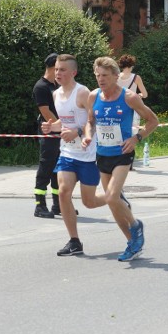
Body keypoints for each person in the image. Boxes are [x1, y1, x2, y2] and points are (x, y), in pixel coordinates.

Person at [87, 56, 159, 261]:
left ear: (116, 76)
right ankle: (132, 243)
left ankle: (136, 225)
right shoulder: (93, 96)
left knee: (111, 197)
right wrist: (89, 134)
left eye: (105, 76)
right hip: (102, 154)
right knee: (113, 203)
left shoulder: (129, 97)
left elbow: (153, 121)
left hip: (122, 154)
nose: (101, 79)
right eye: (98, 75)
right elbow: (90, 122)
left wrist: (136, 138)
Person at [41, 55, 108, 256]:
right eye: (56, 69)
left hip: (87, 155)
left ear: (73, 73)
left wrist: (78, 133)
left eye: (62, 70)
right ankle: (74, 241)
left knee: (89, 202)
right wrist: (51, 126)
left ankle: (114, 197)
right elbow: (64, 123)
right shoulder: (56, 95)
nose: (57, 73)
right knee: (63, 191)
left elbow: (94, 122)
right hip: (68, 152)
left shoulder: (83, 93)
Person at [32, 53, 60, 218]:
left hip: (59, 133)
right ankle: (40, 205)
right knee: (46, 167)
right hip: (49, 133)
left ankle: (58, 204)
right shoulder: (41, 87)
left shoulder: (56, 85)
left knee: (58, 169)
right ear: (52, 67)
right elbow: (45, 111)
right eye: (59, 68)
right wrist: (61, 126)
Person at [117, 54, 149, 169]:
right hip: (132, 108)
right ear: (131, 65)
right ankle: (129, 162)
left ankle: (117, 159)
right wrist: (138, 95)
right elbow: (145, 94)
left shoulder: (116, 76)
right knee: (132, 134)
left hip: (118, 108)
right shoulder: (136, 77)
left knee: (119, 133)